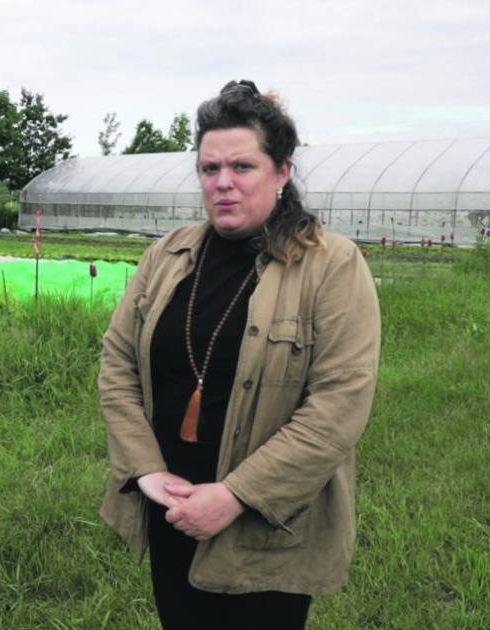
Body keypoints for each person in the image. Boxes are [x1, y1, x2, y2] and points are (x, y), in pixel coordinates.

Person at [98, 80, 380, 629]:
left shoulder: (331, 266)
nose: (223, 184)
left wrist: (234, 495)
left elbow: (339, 405)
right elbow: (118, 366)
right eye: (209, 169)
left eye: (243, 167)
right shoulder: (167, 256)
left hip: (267, 527)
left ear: (282, 172)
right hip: (172, 509)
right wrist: (147, 470)